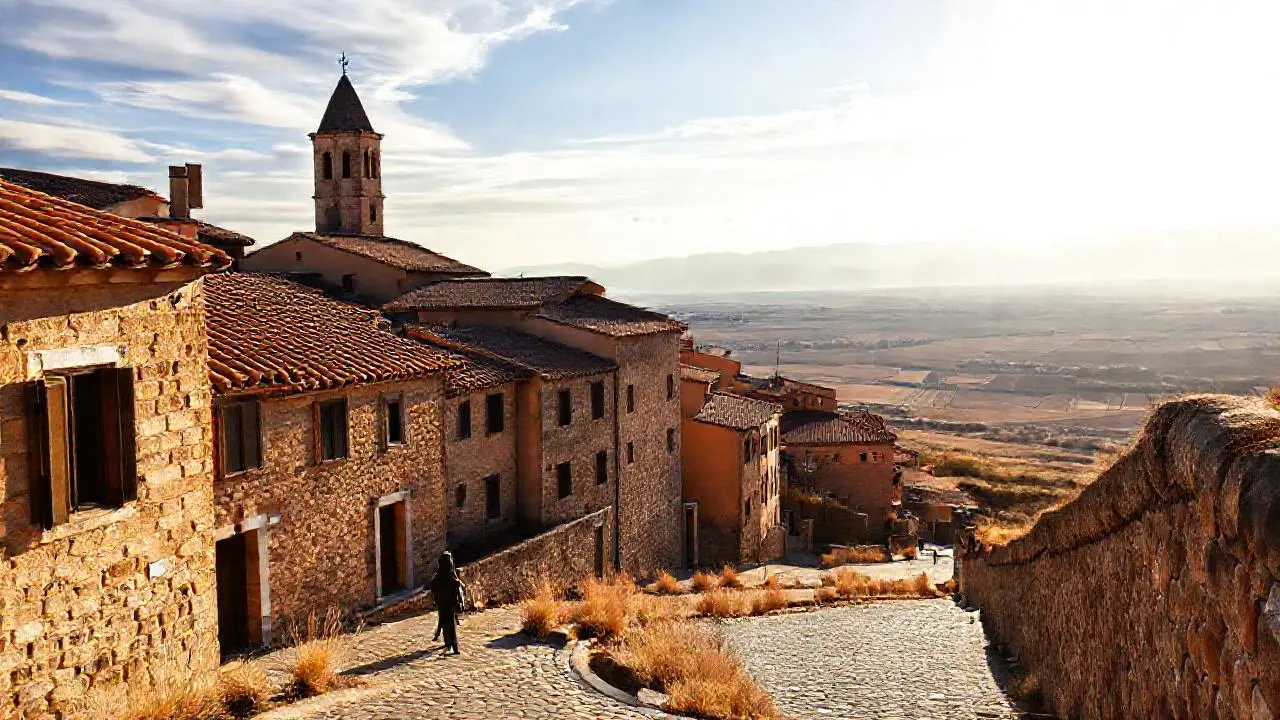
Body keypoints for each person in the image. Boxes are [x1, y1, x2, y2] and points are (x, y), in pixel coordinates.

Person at [431, 551, 465, 654]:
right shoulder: (449, 568)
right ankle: (454, 647)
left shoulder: (439, 572)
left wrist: (435, 597)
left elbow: (433, 584)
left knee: (444, 620)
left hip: (441, 600)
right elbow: (455, 582)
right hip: (450, 600)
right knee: (450, 623)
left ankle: (447, 642)